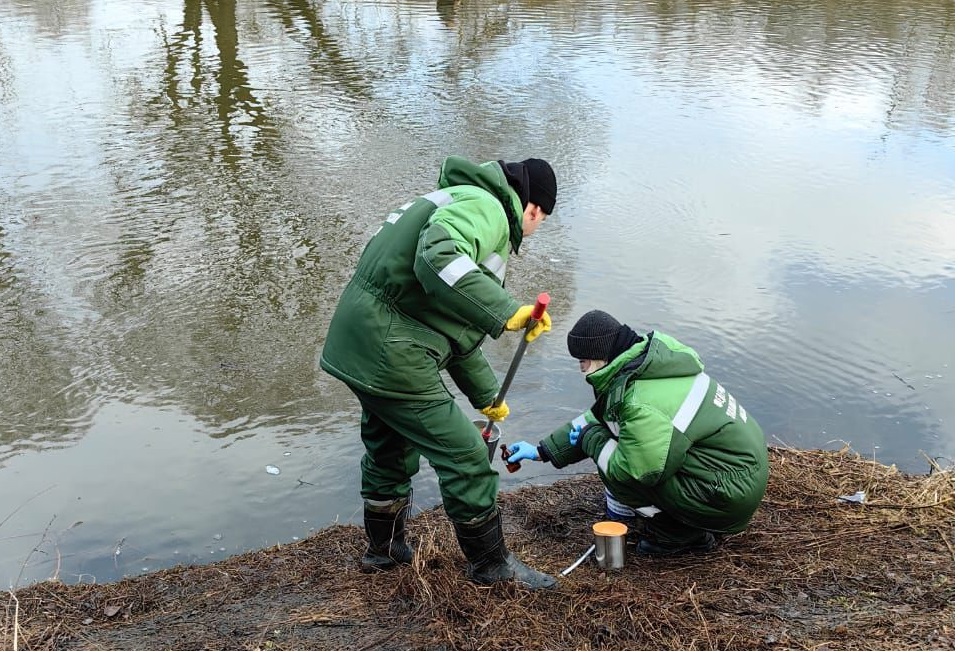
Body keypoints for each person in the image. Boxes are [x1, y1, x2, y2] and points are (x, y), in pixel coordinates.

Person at [320, 155, 559, 589]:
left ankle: (383, 550)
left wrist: (487, 395)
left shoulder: (454, 197)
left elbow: (444, 319)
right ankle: (491, 567)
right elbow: (438, 256)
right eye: (540, 220)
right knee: (467, 456)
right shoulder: (488, 208)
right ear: (534, 209)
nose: (534, 229)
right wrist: (507, 310)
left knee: (388, 445)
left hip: (360, 342)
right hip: (391, 351)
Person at [507, 310, 769, 555]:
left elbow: (636, 471)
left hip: (727, 496)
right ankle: (680, 518)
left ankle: (680, 534)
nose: (581, 369)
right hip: (731, 475)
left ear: (600, 356)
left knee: (618, 468)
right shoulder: (646, 368)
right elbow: (597, 417)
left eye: (582, 361)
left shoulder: (640, 402)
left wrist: (591, 441)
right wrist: (543, 451)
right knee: (613, 439)